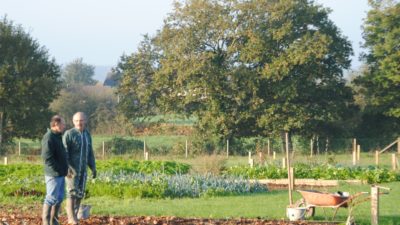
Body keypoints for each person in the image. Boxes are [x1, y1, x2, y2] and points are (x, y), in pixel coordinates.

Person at [63, 112, 96, 224]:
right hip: (71, 171)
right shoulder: (69, 134)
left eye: (81, 120)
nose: (79, 123)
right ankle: (71, 218)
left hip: (83, 170)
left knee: (80, 193)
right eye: (77, 121)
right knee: (71, 193)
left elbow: (90, 152)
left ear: (85, 121)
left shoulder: (87, 134)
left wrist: (93, 167)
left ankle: (75, 215)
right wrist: (66, 168)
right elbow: (64, 153)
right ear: (73, 122)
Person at [41, 115, 68, 225]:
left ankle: (54, 221)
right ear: (56, 124)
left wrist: (65, 169)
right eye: (63, 123)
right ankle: (46, 222)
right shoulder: (49, 137)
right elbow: (47, 158)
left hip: (60, 174)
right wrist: (58, 170)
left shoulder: (57, 136)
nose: (64, 126)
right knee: (51, 198)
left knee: (59, 198)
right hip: (53, 174)